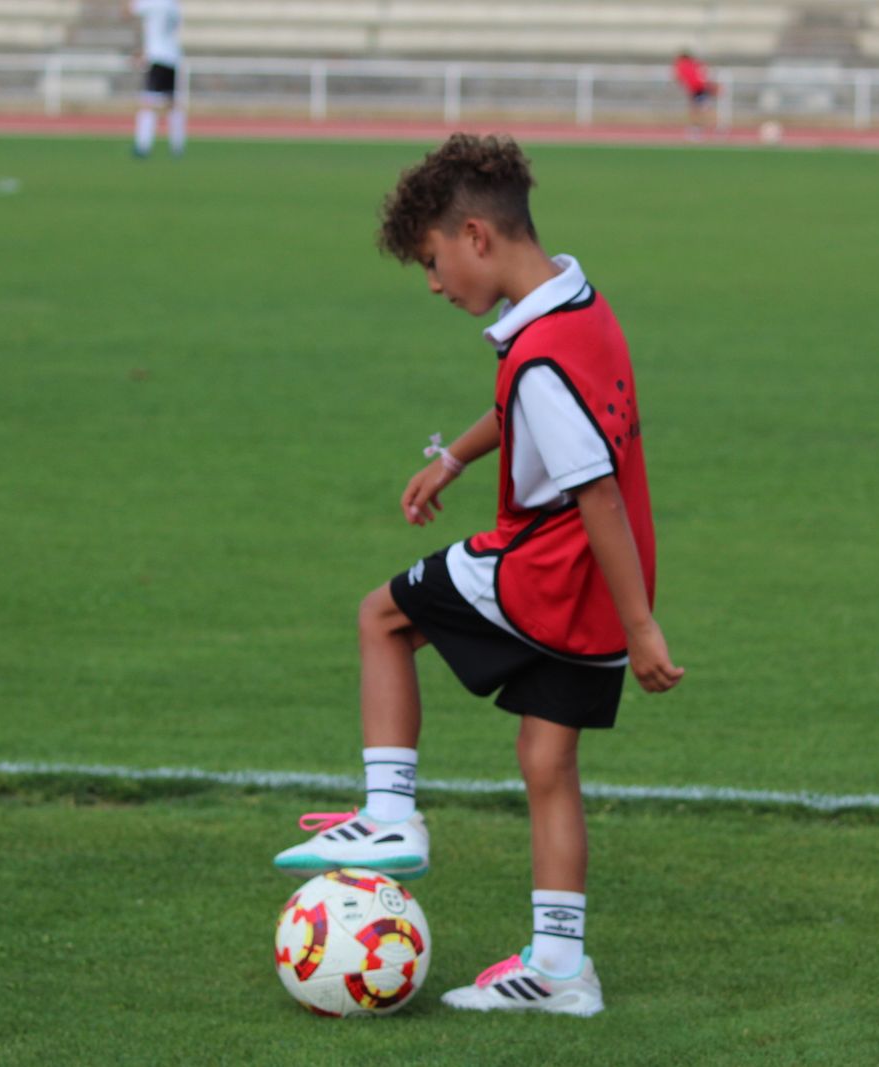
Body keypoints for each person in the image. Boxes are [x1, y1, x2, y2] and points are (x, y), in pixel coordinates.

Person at [272, 134, 684, 1017]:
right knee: (546, 759)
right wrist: (454, 459)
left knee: (382, 617)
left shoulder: (537, 359)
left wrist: (644, 624)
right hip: (602, 591)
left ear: (475, 236)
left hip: (552, 570)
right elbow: (531, 412)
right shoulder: (577, 303)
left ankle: (389, 814)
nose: (433, 283)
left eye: (432, 260)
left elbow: (596, 488)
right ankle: (562, 967)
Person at [127, 0, 184, 158]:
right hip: (173, 56)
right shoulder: (174, 5)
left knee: (148, 103)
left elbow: (128, 11)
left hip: (157, 57)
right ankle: (177, 146)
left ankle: (143, 146)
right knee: (172, 103)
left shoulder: (152, 3)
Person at [673, 50, 716, 138]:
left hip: (698, 89)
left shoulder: (684, 64)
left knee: (698, 110)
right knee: (701, 110)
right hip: (700, 89)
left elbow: (679, 77)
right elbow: (704, 75)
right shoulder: (696, 64)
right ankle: (700, 129)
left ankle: (699, 130)